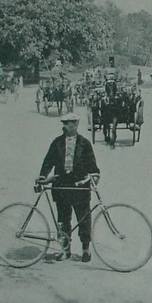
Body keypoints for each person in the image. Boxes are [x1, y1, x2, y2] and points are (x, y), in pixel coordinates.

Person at [37, 112, 101, 261]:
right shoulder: (57, 142)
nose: (64, 126)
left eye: (68, 123)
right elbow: (48, 161)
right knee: (63, 220)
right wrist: (43, 176)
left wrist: (94, 176)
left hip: (80, 187)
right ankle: (66, 250)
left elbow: (92, 165)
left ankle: (86, 250)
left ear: (76, 124)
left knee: (84, 219)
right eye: (63, 123)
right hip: (61, 186)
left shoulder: (85, 144)